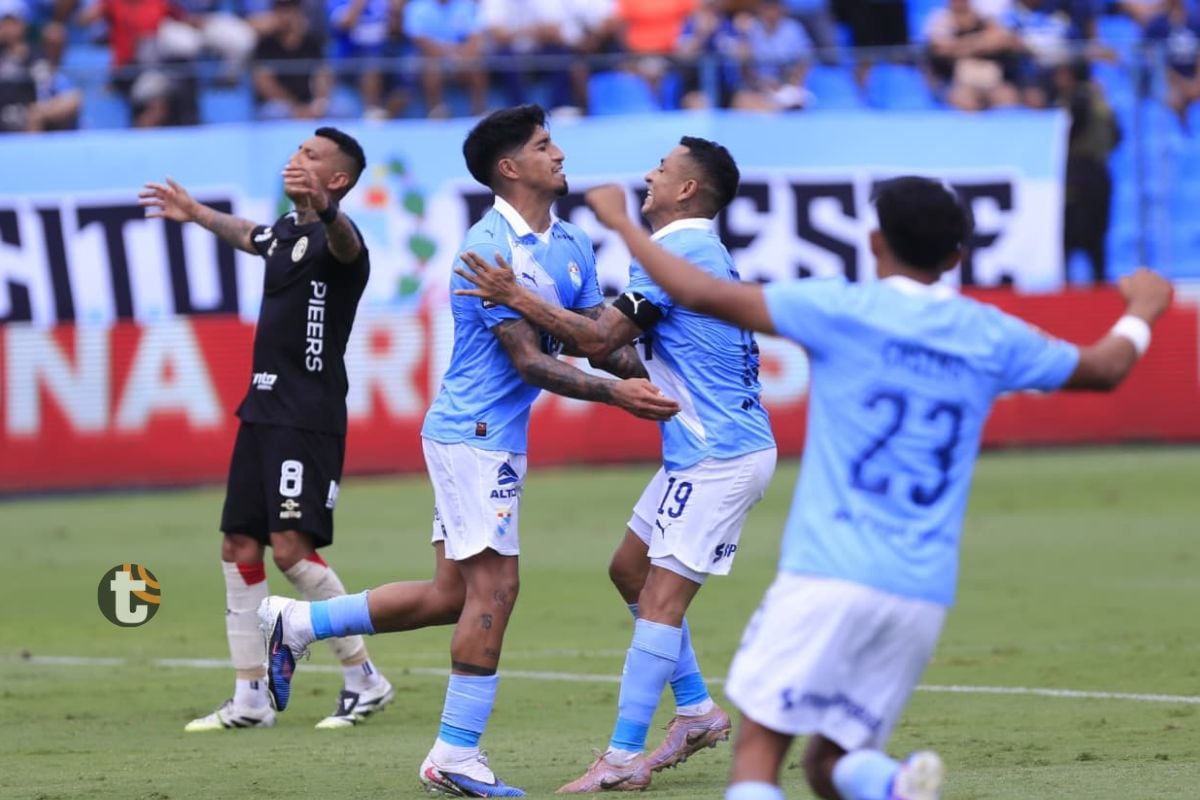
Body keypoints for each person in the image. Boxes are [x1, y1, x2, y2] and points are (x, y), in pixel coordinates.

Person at [581, 175, 1174, 800]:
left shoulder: (842, 309)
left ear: (873, 242)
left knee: (759, 752)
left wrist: (621, 224)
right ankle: (893, 784)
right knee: (831, 762)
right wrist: (1141, 310)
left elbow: (693, 289)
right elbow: (1106, 367)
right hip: (920, 591)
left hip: (828, 573)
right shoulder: (989, 332)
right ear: (955, 257)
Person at [256, 105, 680, 797]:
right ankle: (453, 756)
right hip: (472, 437)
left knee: (450, 595)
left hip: (493, 439)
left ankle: (296, 621)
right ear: (510, 168)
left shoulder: (570, 243)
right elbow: (528, 362)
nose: (560, 154)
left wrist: (658, 377)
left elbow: (589, 336)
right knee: (496, 589)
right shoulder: (484, 251)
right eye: (545, 146)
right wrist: (616, 395)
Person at [454, 136, 777, 793]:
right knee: (629, 569)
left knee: (660, 599)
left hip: (719, 454)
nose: (649, 176)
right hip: (705, 447)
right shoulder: (684, 253)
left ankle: (624, 757)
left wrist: (516, 296)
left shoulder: (682, 248)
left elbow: (600, 337)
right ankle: (693, 712)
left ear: (688, 190)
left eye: (662, 169)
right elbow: (613, 345)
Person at [139, 128, 395, 732]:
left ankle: (365, 678)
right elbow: (250, 235)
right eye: (297, 150)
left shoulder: (340, 242)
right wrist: (195, 212)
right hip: (261, 409)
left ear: (337, 180)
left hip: (307, 417)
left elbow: (345, 237)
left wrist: (328, 209)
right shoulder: (286, 232)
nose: (295, 160)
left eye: (312, 156)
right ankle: (251, 697)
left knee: (291, 550)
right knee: (239, 547)